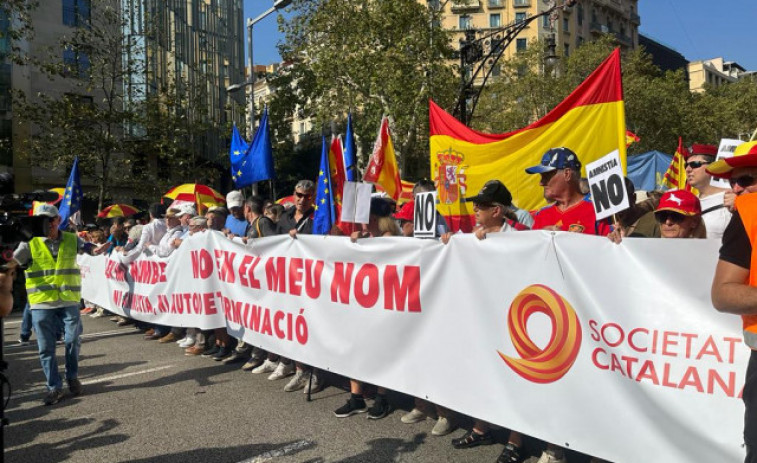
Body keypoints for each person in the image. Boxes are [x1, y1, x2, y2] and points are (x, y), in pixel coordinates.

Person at [443, 181, 529, 463]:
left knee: (515, 378)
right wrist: (450, 244)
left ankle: (516, 441)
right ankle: (482, 428)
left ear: (497, 210)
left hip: (514, 319)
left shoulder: (521, 235)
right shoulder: (471, 237)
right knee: (481, 373)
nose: (475, 209)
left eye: (480, 205)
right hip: (482, 317)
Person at [708, 141, 757, 463]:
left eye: (747, 179)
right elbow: (723, 294)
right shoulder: (748, 215)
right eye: (733, 181)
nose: (737, 188)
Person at [13, 204, 90, 405]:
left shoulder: (72, 239)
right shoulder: (29, 242)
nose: (48, 223)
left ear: (58, 220)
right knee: (46, 348)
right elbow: (13, 262)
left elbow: (91, 250)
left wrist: (100, 248)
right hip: (42, 303)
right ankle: (54, 387)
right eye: (43, 220)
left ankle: (72, 377)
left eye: (51, 219)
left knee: (73, 340)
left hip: (68, 300)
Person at [525, 147, 611, 236]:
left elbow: (612, 246)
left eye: (546, 176)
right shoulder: (542, 215)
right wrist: (541, 235)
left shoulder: (597, 208)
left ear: (567, 174)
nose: (541, 183)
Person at [684, 143, 734, 239]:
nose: (688, 169)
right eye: (686, 165)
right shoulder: (690, 202)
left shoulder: (733, 198)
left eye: (695, 164)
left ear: (713, 166)